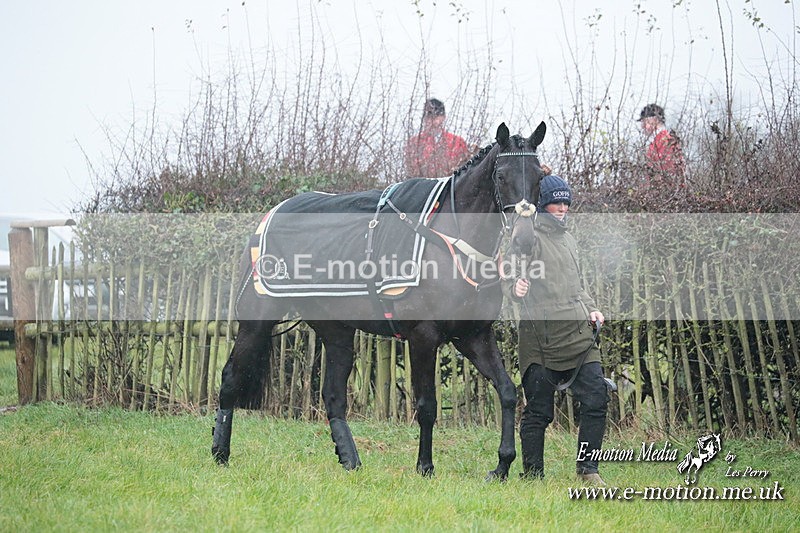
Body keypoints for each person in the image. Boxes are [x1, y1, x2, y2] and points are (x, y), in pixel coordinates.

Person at [503, 174, 608, 485]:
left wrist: (592, 307)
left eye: (566, 202)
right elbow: (510, 268)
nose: (562, 208)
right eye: (555, 202)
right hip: (541, 340)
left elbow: (577, 286)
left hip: (578, 334)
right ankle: (533, 475)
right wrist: (515, 286)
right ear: (542, 205)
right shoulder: (530, 238)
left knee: (596, 399)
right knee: (538, 412)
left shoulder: (570, 240)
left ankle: (588, 470)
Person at [404, 98, 471, 178]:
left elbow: (465, 171)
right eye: (428, 116)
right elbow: (411, 172)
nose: (431, 120)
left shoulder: (457, 142)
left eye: (435, 116)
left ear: (443, 117)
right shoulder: (414, 144)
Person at [637, 103, 685, 178]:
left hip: (666, 186)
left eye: (644, 121)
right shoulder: (657, 140)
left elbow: (667, 168)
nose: (642, 126)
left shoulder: (664, 141)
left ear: (654, 119)